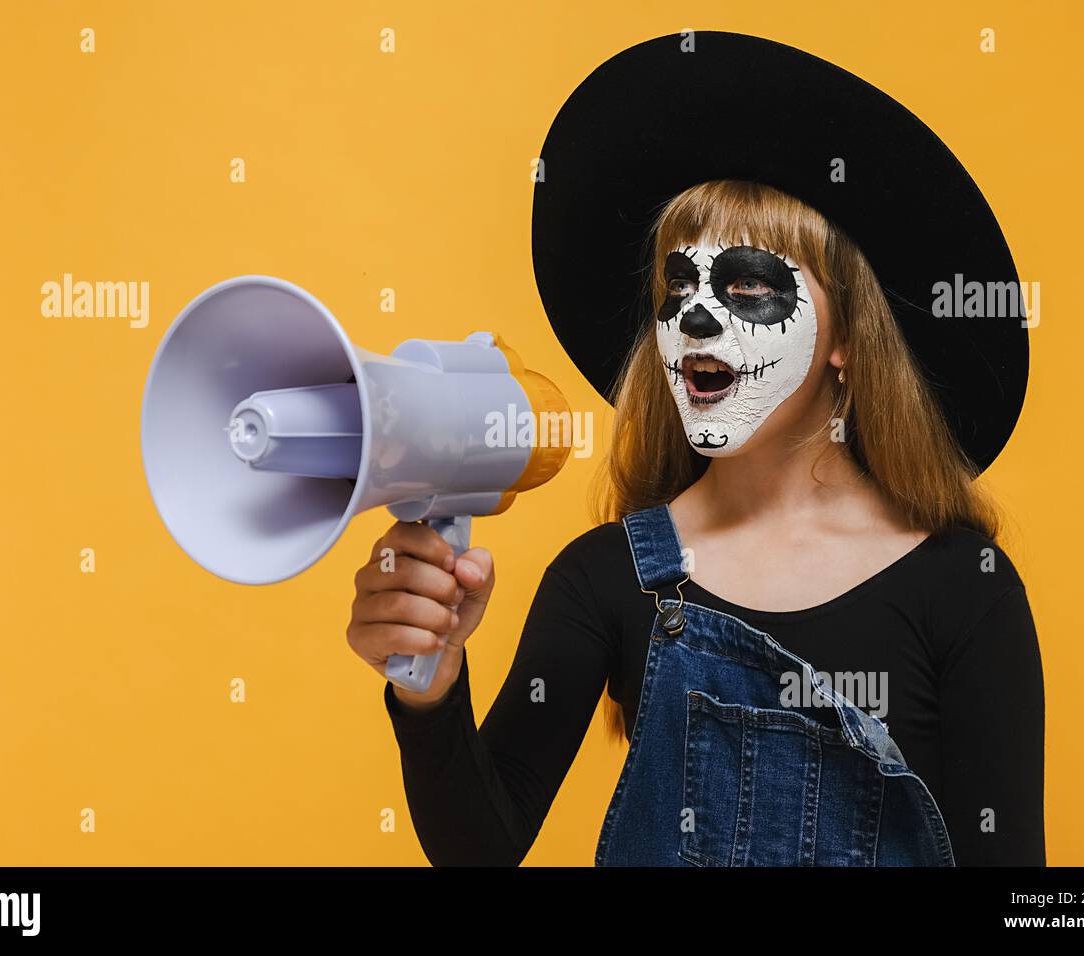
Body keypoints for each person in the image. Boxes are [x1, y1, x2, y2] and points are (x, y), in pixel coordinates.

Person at [346, 33, 1044, 866]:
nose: (697, 317)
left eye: (748, 285)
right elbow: (480, 848)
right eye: (678, 285)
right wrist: (429, 687)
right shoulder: (604, 580)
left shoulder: (964, 589)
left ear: (846, 339)